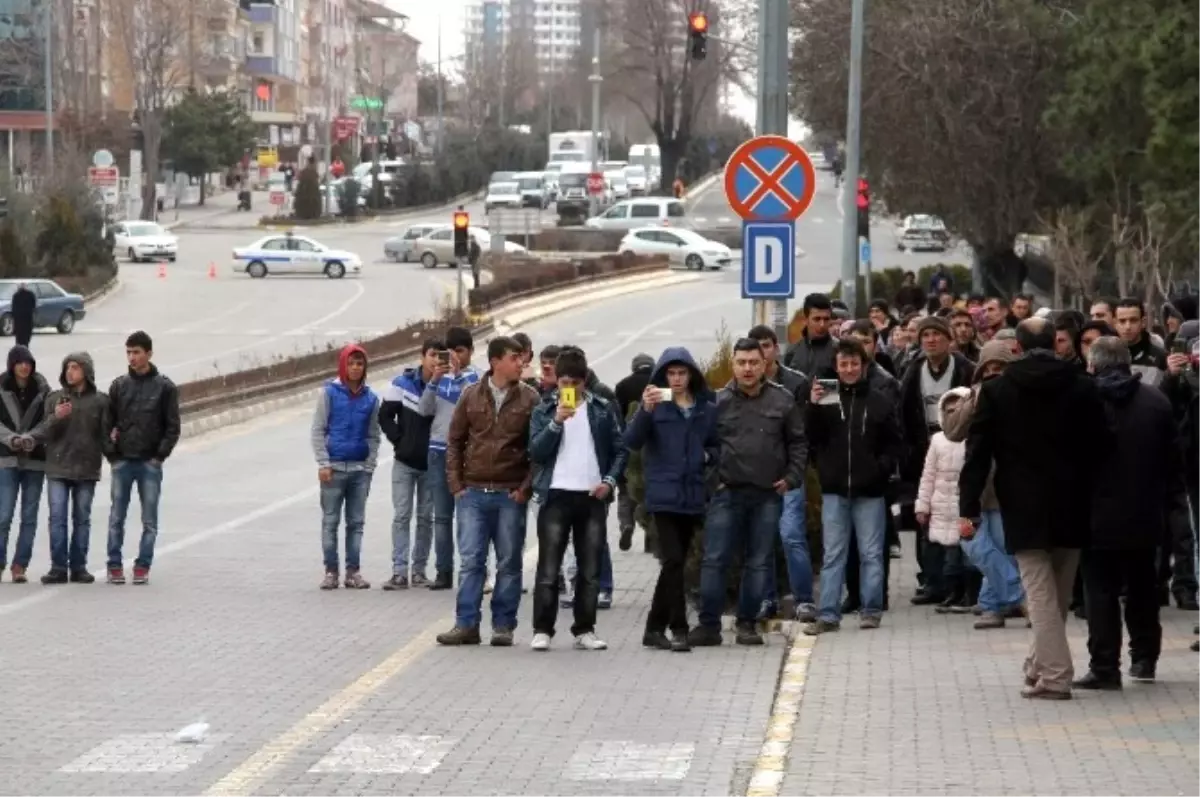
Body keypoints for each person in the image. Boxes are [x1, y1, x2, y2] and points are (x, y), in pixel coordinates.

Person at [959, 317, 1108, 699]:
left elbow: (978, 454)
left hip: (1023, 503)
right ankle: (1036, 668)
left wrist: (968, 504)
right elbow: (1102, 447)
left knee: (1040, 594)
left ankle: (1055, 677)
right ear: (1058, 344)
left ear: (1017, 348)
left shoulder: (997, 390)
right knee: (1055, 594)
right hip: (1074, 500)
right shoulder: (1083, 386)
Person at [1073, 337, 1179, 689]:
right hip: (1145, 512)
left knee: (1100, 591)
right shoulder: (1156, 402)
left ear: (1092, 364)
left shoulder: (1083, 400)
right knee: (1143, 588)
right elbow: (1172, 460)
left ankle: (1104, 667)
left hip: (1094, 513)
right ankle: (1145, 658)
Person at [690, 338, 806, 647]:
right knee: (715, 560)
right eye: (741, 362)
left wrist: (792, 477)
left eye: (754, 362)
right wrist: (713, 482)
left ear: (764, 364)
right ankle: (709, 625)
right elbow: (699, 445)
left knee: (758, 562)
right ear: (733, 364)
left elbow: (798, 443)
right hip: (726, 494)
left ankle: (747, 624)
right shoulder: (717, 402)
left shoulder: (783, 401)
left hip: (767, 495)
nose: (748, 368)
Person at [436, 336, 539, 647]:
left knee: (509, 562)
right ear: (495, 361)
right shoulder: (471, 396)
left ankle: (503, 626)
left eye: (521, 359)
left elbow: (538, 450)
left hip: (510, 494)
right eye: (514, 358)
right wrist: (456, 485)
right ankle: (466, 624)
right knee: (471, 562)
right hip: (473, 494)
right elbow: (454, 441)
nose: (520, 363)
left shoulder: (530, 399)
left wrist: (524, 489)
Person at [528, 348, 627, 652]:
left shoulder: (602, 409)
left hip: (591, 496)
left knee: (589, 568)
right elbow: (536, 452)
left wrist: (609, 481)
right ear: (556, 382)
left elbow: (620, 448)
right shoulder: (543, 411)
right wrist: (556, 422)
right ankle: (542, 629)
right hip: (555, 494)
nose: (568, 388)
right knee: (548, 567)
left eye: (574, 382)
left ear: (585, 382)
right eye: (563, 382)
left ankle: (584, 628)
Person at [804, 338, 904, 634]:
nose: (849, 369)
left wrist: (880, 470)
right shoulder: (826, 397)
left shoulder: (879, 399)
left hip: (870, 490)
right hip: (835, 489)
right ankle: (828, 615)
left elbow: (895, 443)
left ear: (864, 366)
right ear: (835, 367)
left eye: (854, 364)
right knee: (833, 553)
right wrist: (812, 403)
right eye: (843, 364)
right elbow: (811, 436)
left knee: (871, 552)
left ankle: (871, 609)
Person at [625, 347, 718, 652]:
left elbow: (716, 445)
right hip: (663, 495)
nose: (677, 379)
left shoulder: (705, 406)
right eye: (671, 374)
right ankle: (667, 628)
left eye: (682, 373)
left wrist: (707, 456)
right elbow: (632, 441)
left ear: (691, 375)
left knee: (674, 565)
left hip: (692, 494)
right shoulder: (656, 406)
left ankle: (666, 628)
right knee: (674, 560)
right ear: (663, 376)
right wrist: (645, 410)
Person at [941, 339, 1024, 629]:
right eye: (987, 368)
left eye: (999, 367)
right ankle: (1019, 596)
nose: (993, 373)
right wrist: (974, 398)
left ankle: (993, 605)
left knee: (1001, 548)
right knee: (975, 545)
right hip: (976, 487)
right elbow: (951, 431)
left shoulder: (1020, 397)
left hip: (1006, 486)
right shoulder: (975, 397)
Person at [899, 316, 974, 602]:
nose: (931, 340)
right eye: (925, 335)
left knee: (959, 514)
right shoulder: (913, 370)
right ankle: (930, 579)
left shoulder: (965, 369)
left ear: (949, 339)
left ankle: (960, 580)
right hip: (925, 450)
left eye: (936, 334)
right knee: (926, 514)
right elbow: (903, 411)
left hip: (959, 447)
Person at [747, 324, 813, 621]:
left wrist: (794, 473)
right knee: (763, 539)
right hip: (757, 474)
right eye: (756, 347)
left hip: (787, 474)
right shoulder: (745, 385)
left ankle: (803, 600)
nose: (762, 352)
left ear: (775, 348)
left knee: (791, 535)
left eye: (767, 345)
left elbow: (802, 433)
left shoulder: (795, 382)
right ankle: (767, 599)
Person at [106, 331, 181, 585]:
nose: (132, 357)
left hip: (149, 462)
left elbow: (172, 426)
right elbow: (107, 424)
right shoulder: (118, 386)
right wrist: (113, 456)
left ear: (149, 353)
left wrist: (159, 456)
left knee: (149, 519)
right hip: (123, 461)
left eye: (136, 352)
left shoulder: (165, 387)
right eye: (128, 352)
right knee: (117, 517)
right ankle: (114, 564)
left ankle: (143, 565)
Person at [31, 353, 110, 585]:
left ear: (86, 370)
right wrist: (56, 417)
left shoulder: (100, 401)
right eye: (67, 367)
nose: (70, 372)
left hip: (86, 468)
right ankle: (58, 567)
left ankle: (79, 567)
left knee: (82, 518)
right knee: (57, 518)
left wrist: (115, 455)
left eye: (75, 367)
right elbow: (44, 432)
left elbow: (105, 436)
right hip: (58, 466)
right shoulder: (54, 398)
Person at [312, 344, 380, 589]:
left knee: (356, 523)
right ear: (343, 365)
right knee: (330, 522)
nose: (355, 368)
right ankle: (331, 571)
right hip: (334, 469)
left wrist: (369, 466)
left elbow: (373, 435)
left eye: (359, 364)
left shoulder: (371, 398)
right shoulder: (329, 393)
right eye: (351, 363)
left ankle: (353, 572)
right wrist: (323, 462)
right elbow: (318, 430)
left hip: (360, 471)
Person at [418, 326, 480, 590]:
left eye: (460, 351)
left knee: (468, 517)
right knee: (441, 517)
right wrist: (434, 380)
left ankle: (472, 570)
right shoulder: (438, 378)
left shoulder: (476, 378)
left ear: (470, 352)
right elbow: (424, 410)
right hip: (437, 452)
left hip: (466, 455)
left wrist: (459, 376)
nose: (454, 356)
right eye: (450, 351)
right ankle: (444, 571)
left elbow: (477, 407)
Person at [378, 338, 439, 589]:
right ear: (422, 356)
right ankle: (399, 571)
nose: (436, 360)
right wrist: (399, 441)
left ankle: (419, 571)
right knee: (402, 515)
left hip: (431, 464)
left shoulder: (444, 387)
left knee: (426, 518)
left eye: (441, 356)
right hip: (404, 462)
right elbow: (384, 416)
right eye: (433, 355)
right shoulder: (402, 384)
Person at [0, 345, 48, 583]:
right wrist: (10, 438)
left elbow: (48, 420)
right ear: (12, 364)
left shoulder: (42, 388)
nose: (24, 366)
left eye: (28, 362)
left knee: (29, 516)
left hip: (34, 459)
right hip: (6, 459)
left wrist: (32, 438)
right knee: (3, 515)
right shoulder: (1, 387)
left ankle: (20, 565)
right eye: (20, 362)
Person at [613, 353, 655, 549]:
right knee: (647, 491)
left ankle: (626, 524)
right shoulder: (658, 386)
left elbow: (616, 418)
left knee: (625, 490)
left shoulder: (622, 386)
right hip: (652, 447)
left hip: (628, 444)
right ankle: (649, 536)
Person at [785, 293, 836, 376]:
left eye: (826, 319)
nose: (822, 324)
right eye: (817, 319)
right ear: (806, 319)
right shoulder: (792, 352)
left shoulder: (839, 350)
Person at [10, 284, 35, 349]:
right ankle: (25, 346)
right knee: (27, 335)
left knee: (19, 336)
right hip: (27, 318)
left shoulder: (16, 295)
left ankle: (19, 347)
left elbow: (13, 308)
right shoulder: (30, 294)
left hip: (19, 319)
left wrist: (13, 316)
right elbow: (33, 306)